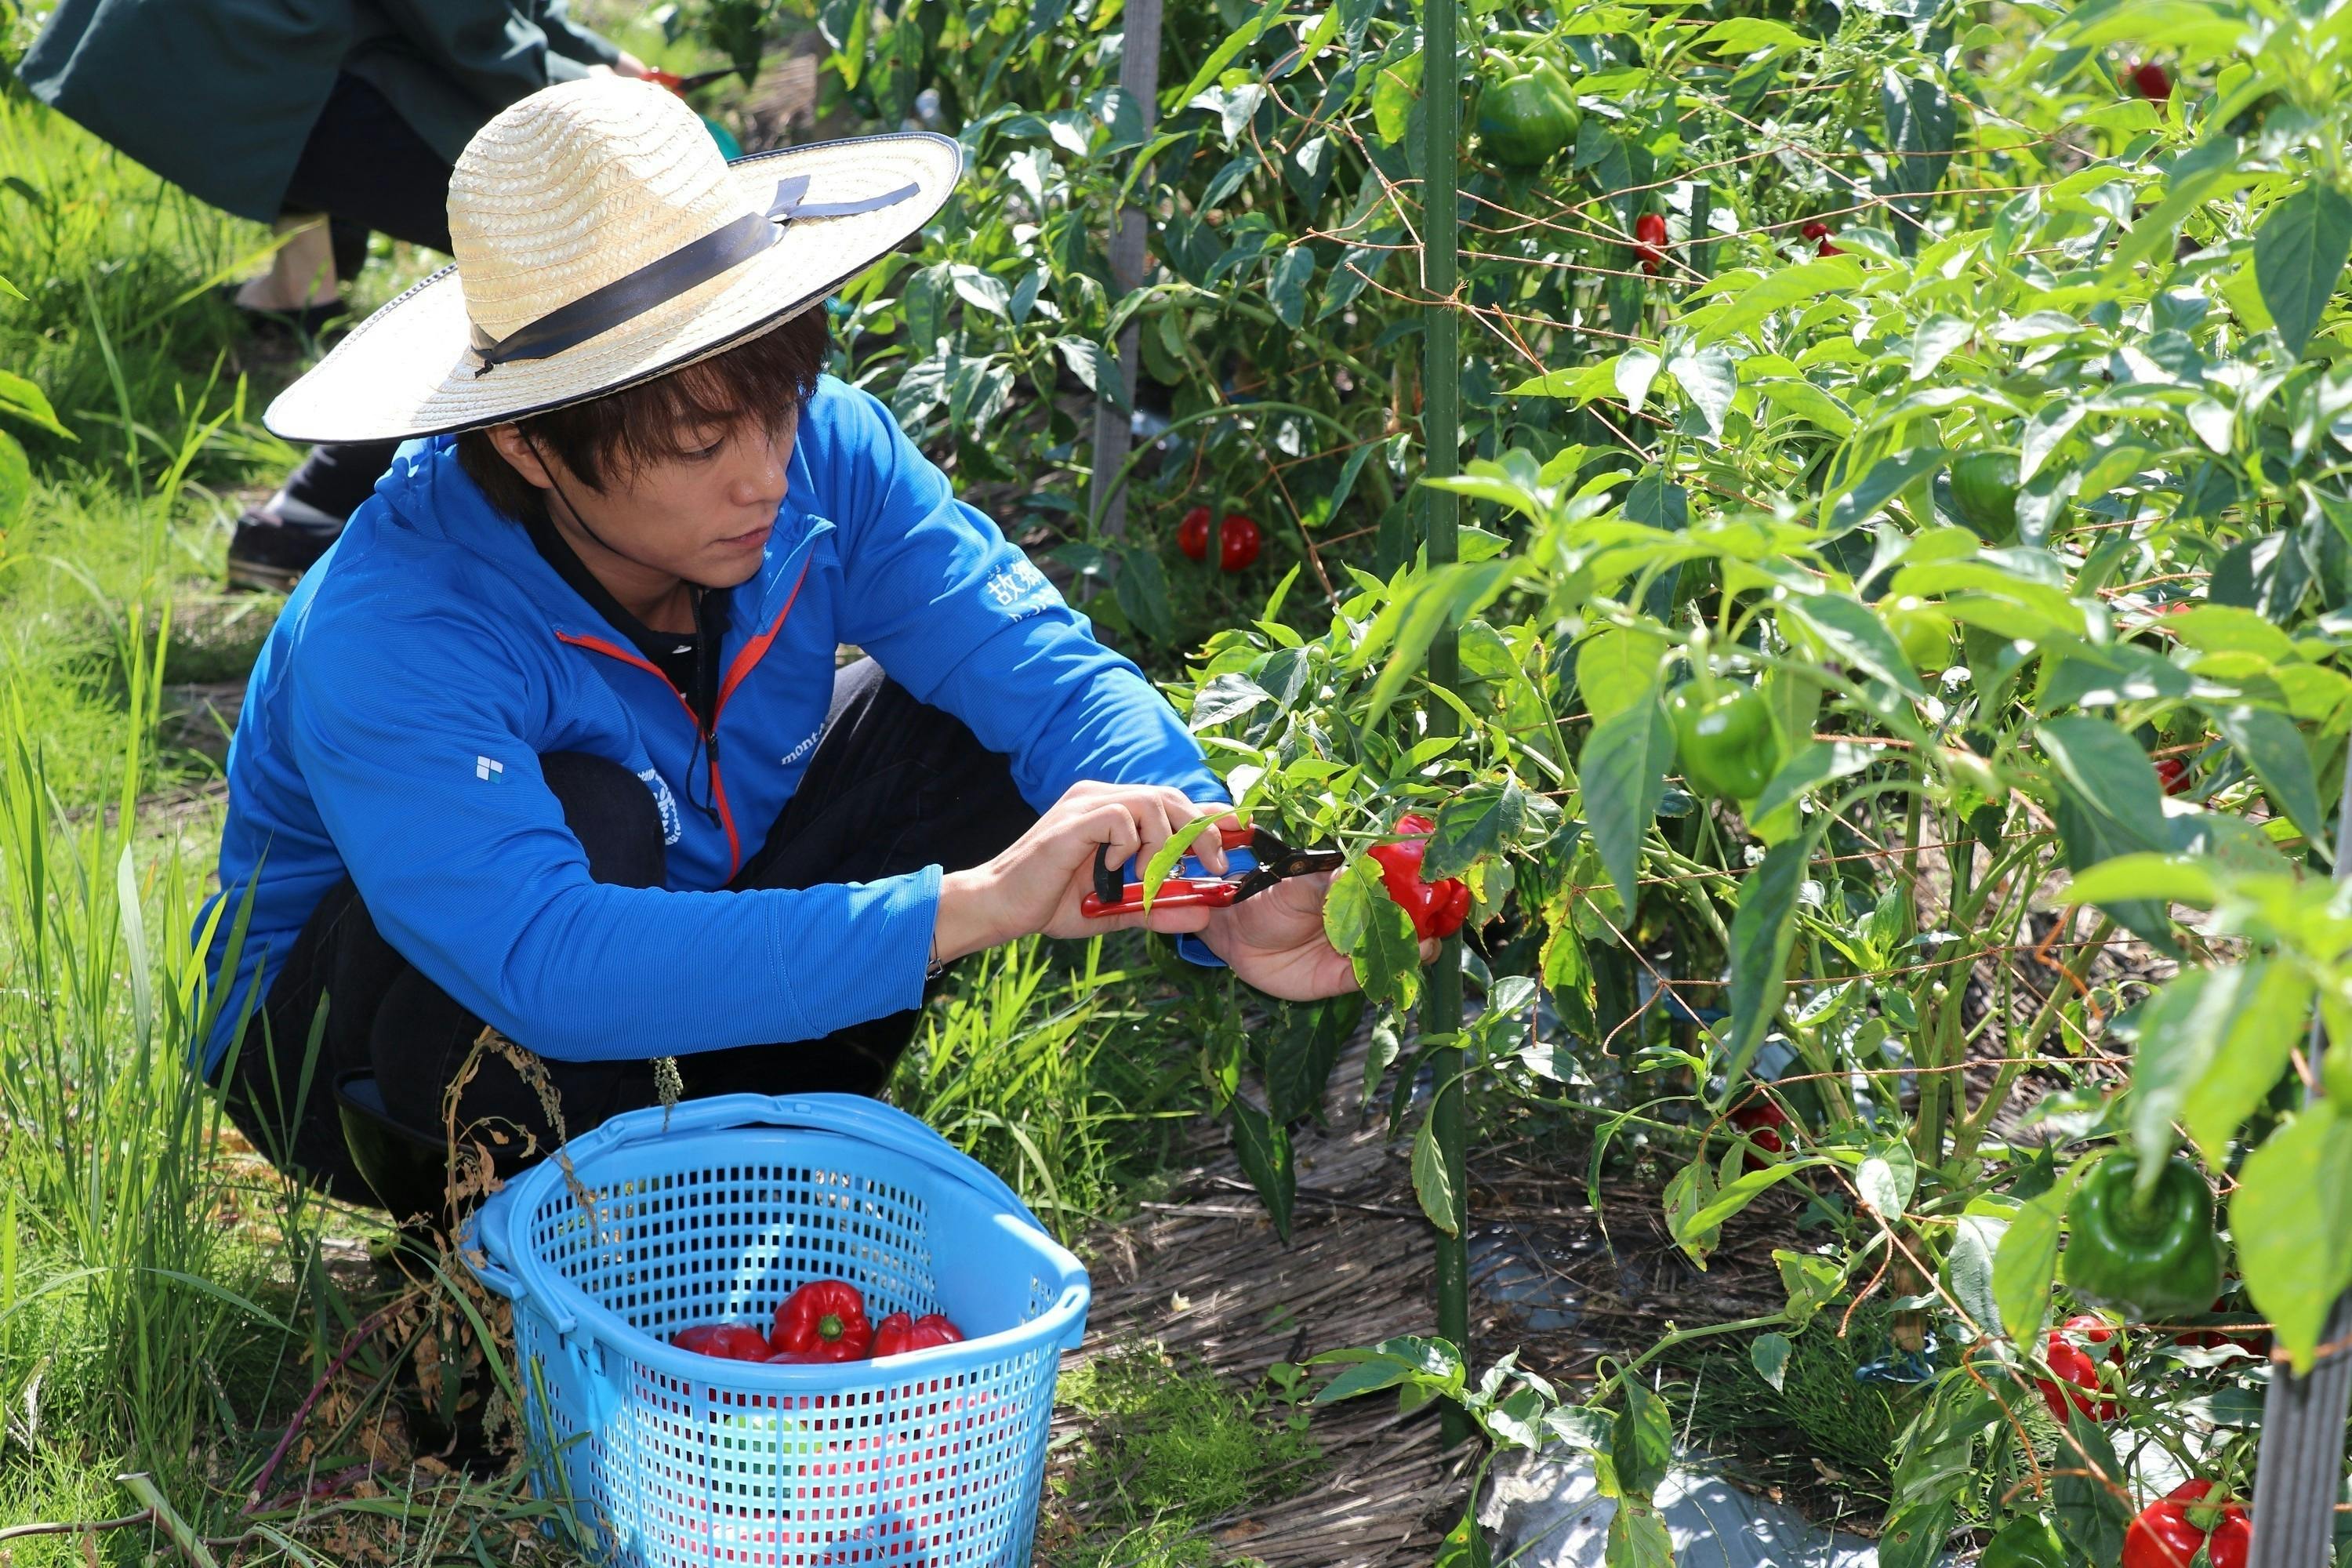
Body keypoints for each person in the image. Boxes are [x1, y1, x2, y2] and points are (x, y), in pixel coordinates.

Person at [199, 78, 1374, 1207]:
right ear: (528, 446)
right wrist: (968, 906)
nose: (764, 474)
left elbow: (1051, 680)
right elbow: (545, 958)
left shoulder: (829, 455)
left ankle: (744, 1164)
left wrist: (1217, 876)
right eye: (705, 441)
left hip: (675, 914)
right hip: (350, 1045)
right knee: (589, 809)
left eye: (781, 403)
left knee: (963, 725)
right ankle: (488, 1260)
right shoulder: (401, 618)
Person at [16, 0, 655, 592]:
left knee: (542, 242)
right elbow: (464, 22)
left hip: (259, 31)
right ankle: (318, 510)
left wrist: (587, 49)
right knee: (561, 244)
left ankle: (299, 307)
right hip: (259, 45)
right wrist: (572, 86)